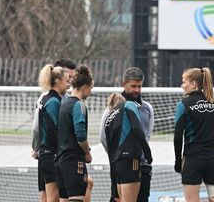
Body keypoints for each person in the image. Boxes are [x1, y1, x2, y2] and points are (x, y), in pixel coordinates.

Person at [100, 67, 155, 202]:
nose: (136, 90)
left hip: (142, 164)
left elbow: (147, 135)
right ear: (123, 84)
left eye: (139, 86)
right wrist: (118, 155)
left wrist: (142, 154)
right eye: (133, 86)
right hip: (121, 163)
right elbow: (104, 137)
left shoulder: (147, 108)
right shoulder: (112, 107)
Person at [174, 67, 214, 202]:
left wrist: (178, 162)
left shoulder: (183, 104)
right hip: (213, 159)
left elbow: (178, 137)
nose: (182, 85)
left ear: (193, 84)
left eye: (184, 81)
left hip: (193, 159)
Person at [56, 65, 95, 202]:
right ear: (85, 86)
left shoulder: (64, 104)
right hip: (73, 160)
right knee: (77, 199)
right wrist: (87, 152)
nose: (90, 92)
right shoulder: (78, 105)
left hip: (60, 161)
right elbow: (80, 134)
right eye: (90, 88)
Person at [33, 64, 71, 202]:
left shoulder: (45, 99)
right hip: (51, 155)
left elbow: (37, 128)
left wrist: (37, 147)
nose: (69, 84)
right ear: (58, 81)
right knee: (53, 198)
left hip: (45, 154)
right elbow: (55, 130)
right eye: (67, 81)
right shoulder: (54, 102)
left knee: (47, 196)